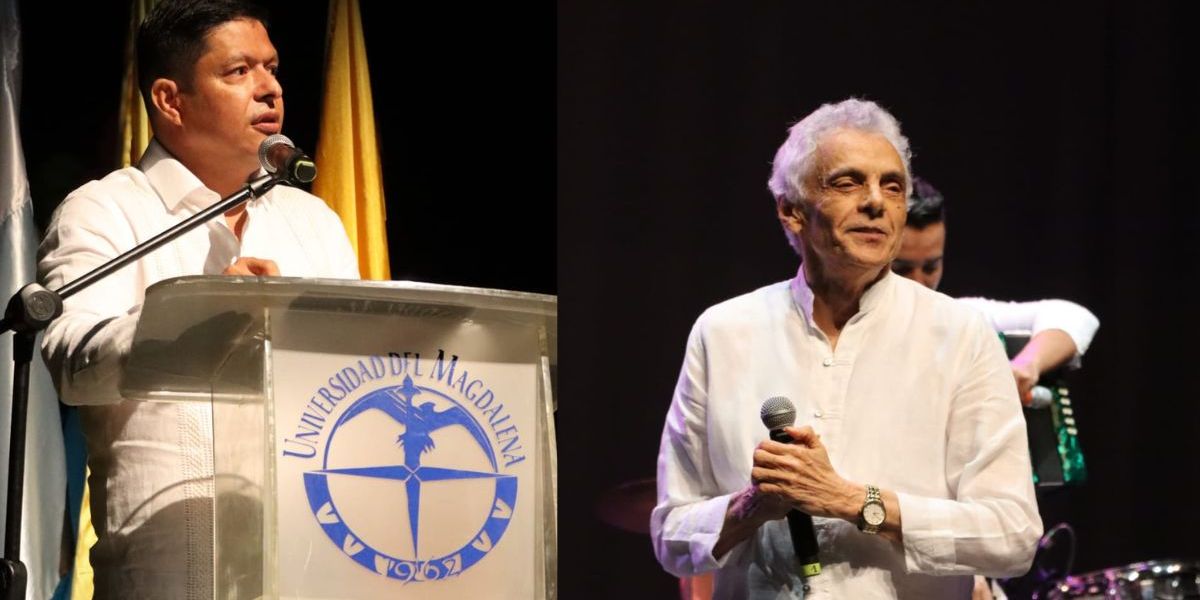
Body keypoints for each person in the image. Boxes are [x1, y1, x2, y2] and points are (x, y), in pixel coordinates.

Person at [651, 98, 1041, 599]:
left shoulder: (962, 335)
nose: (876, 201)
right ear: (791, 210)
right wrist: (752, 507)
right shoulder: (723, 332)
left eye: (892, 186)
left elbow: (1012, 535)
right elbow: (670, 536)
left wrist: (854, 501)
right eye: (848, 182)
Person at [37, 1, 359, 597]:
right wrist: (199, 310)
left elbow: (352, 375)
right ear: (169, 99)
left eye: (273, 68)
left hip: (312, 565)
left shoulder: (313, 221)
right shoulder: (105, 209)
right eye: (238, 72)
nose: (270, 90)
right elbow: (72, 364)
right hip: (170, 574)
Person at [892, 177, 1099, 404]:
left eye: (931, 268)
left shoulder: (958, 319)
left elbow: (1072, 315)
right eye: (902, 269)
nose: (919, 283)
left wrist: (1024, 366)